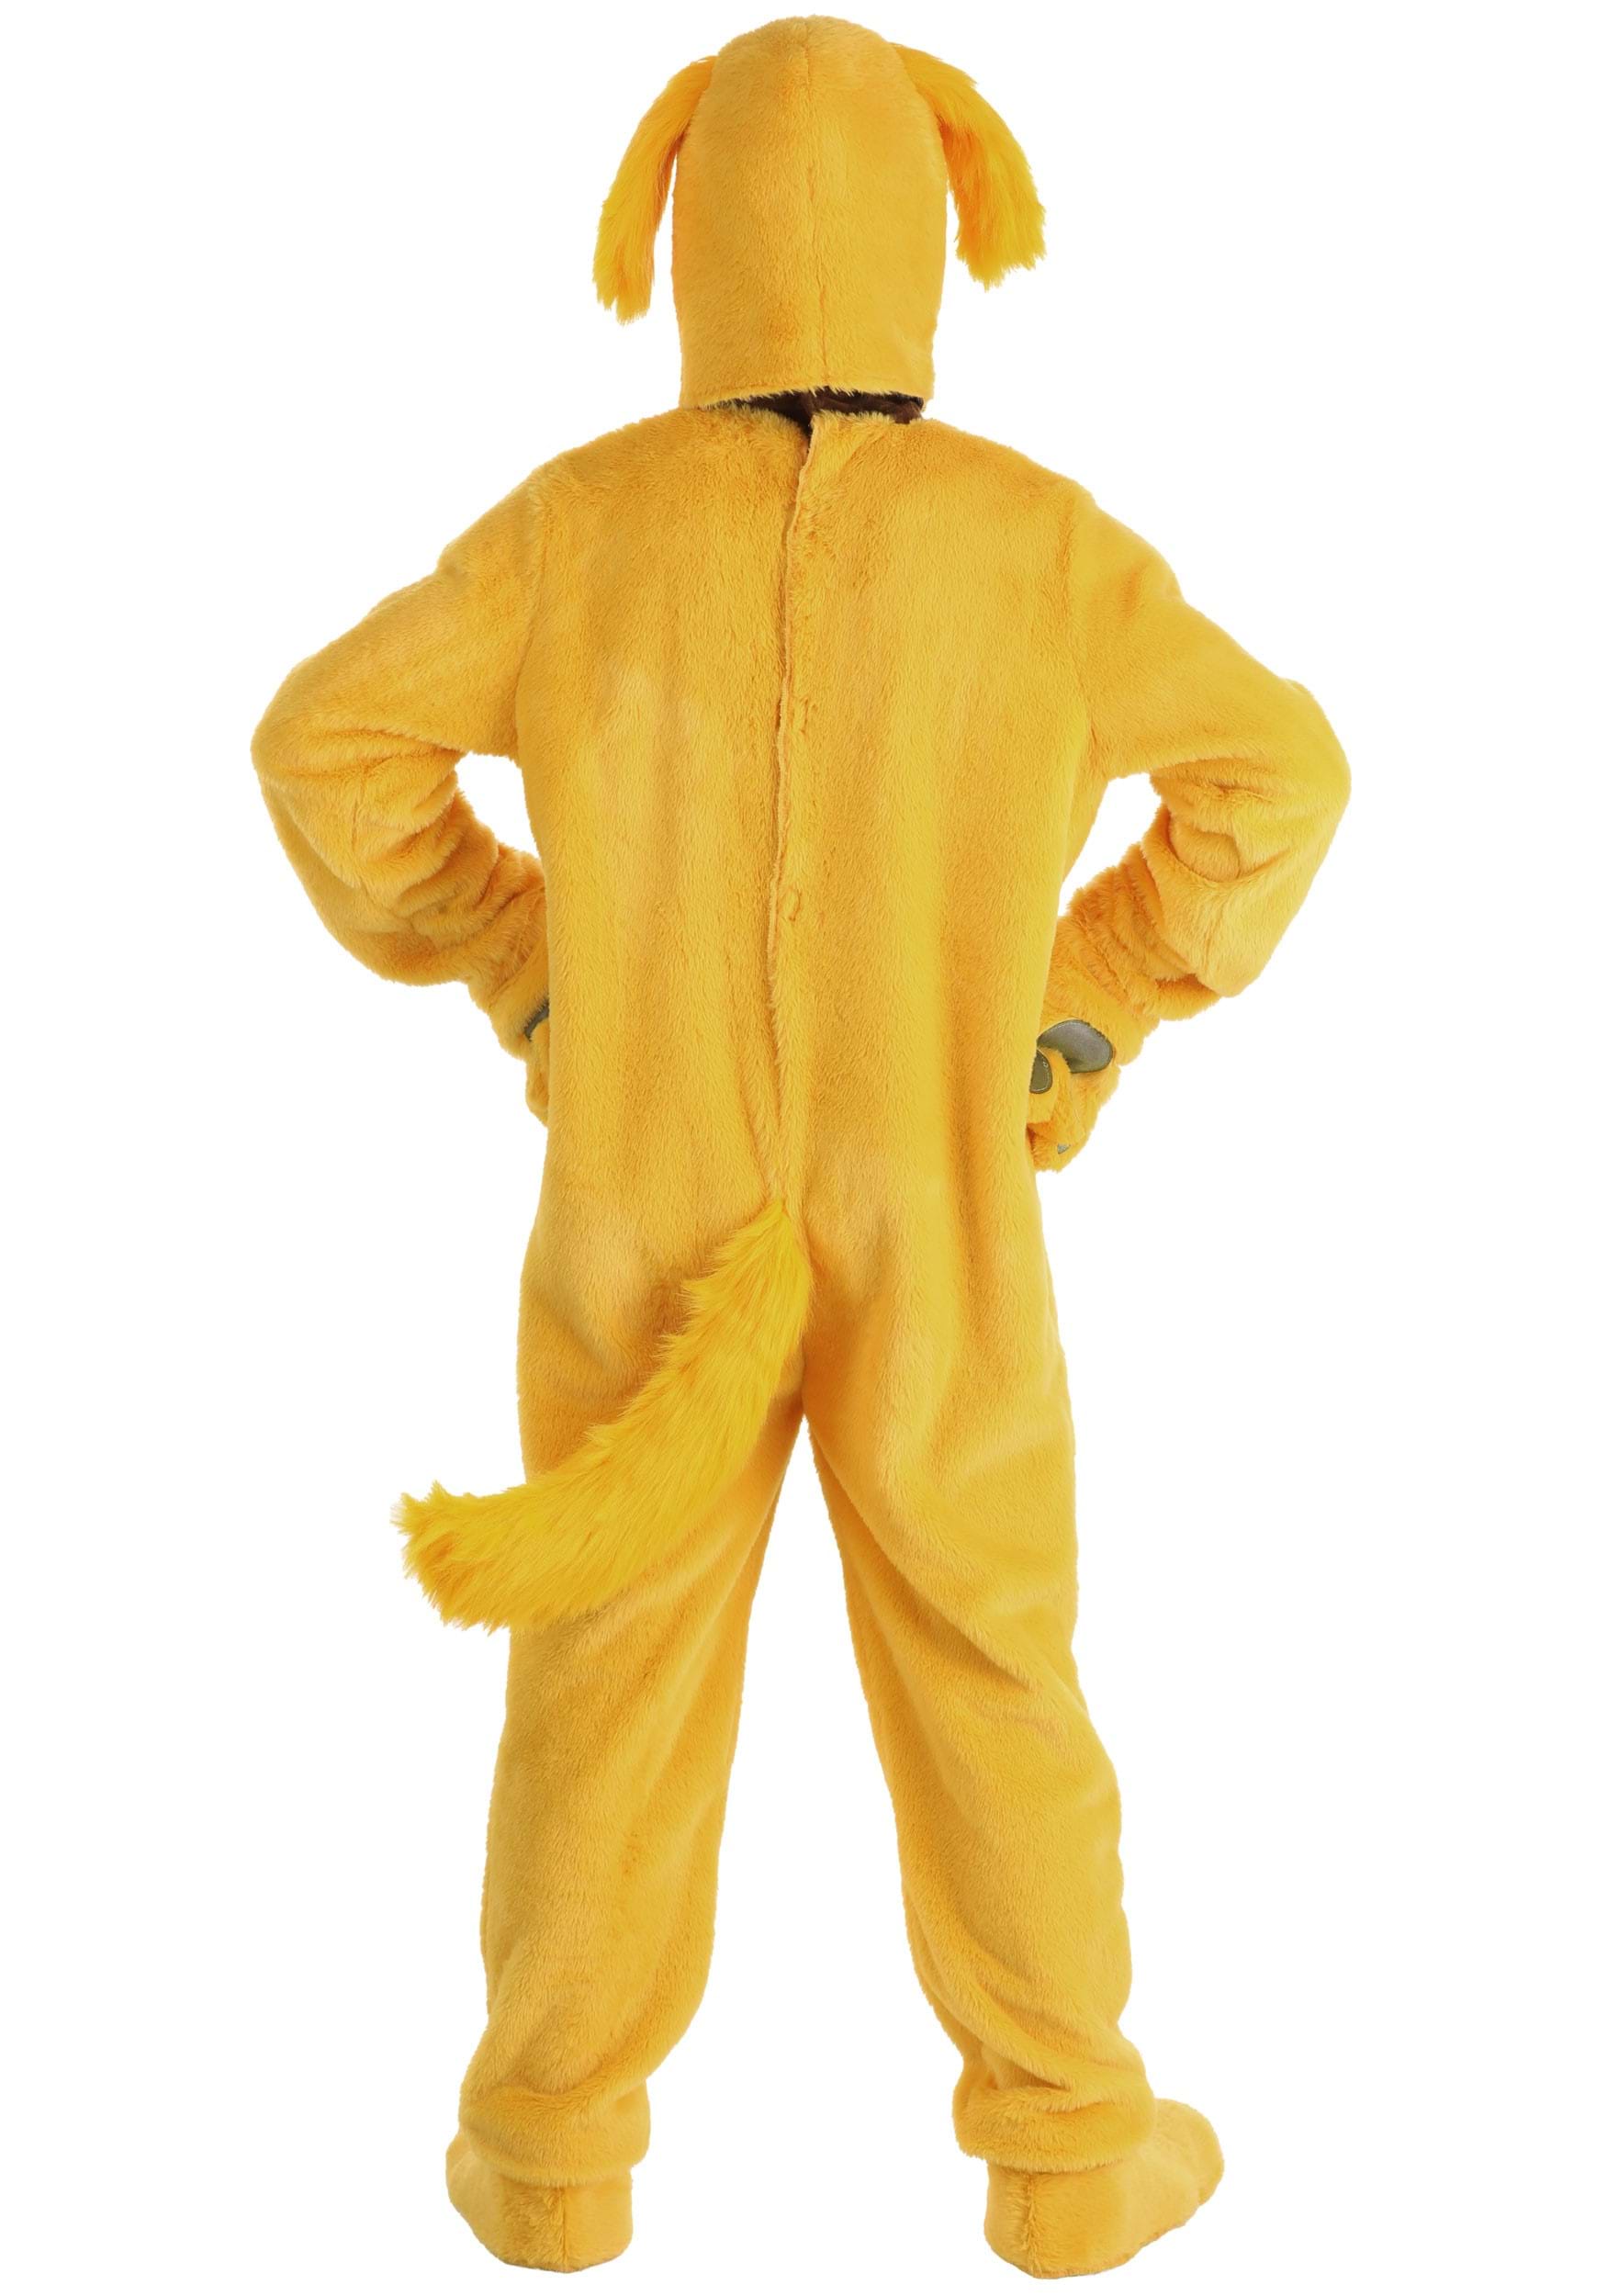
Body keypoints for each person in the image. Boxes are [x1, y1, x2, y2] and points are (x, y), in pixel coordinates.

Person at [253, 17, 1348, 2276]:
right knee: (986, 1664)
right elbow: (1278, 775)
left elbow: (324, 742)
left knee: (606, 1678)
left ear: (690, 232)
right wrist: (1083, 999)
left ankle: (547, 2161)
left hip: (639, 1209)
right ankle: (1069, 2151)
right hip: (938, 1216)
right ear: (934, 229)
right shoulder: (1034, 548)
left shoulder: (577, 527)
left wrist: (531, 970)